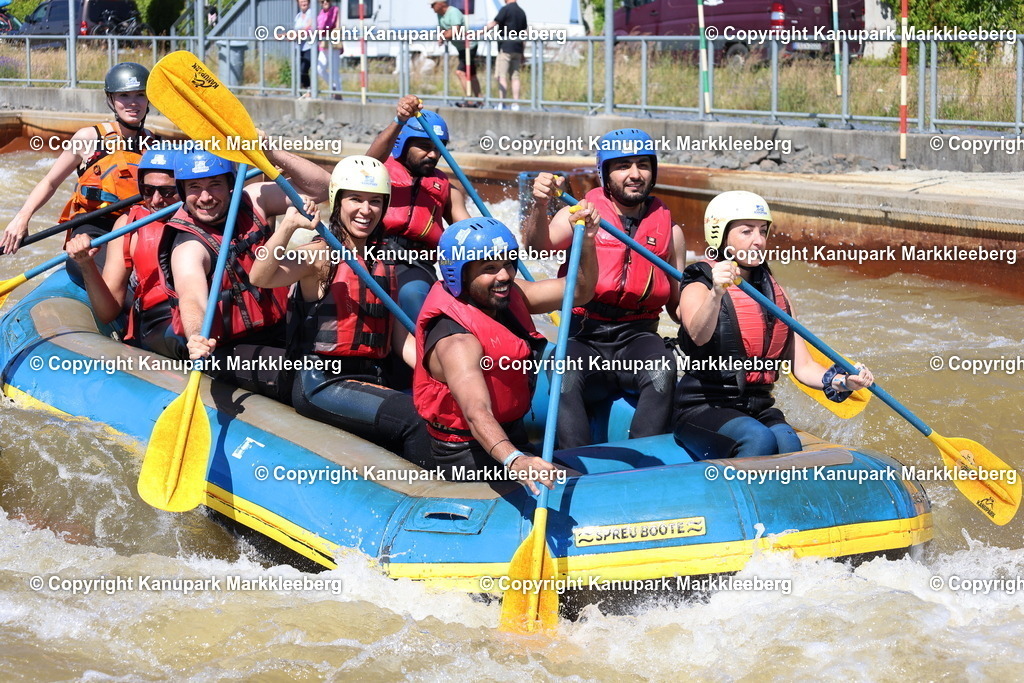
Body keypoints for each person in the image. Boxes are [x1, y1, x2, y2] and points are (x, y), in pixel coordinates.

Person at [249, 156, 431, 467]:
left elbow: (401, 340)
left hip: (372, 375)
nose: (366, 210)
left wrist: (441, 374)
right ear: (337, 202)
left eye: (375, 201)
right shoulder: (320, 254)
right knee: (415, 420)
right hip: (322, 382)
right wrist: (289, 226)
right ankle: (425, 492)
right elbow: (260, 277)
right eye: (355, 199)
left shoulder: (384, 260)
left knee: (438, 410)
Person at [674, 191, 875, 459]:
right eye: (746, 231)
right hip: (704, 407)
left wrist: (843, 382)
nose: (758, 241)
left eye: (763, 231)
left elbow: (803, 367)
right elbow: (698, 335)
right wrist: (716, 293)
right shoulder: (699, 282)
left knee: (788, 443)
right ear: (719, 236)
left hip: (757, 408)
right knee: (758, 439)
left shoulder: (778, 295)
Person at [413, 214, 601, 493]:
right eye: (489, 268)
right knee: (582, 491)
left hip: (512, 435)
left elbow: (580, 291)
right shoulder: (457, 341)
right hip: (468, 455)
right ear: (459, 273)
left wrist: (586, 242)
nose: (504, 276)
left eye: (508, 264)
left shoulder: (507, 295)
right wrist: (515, 460)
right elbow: (477, 412)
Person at [524, 128, 685, 448]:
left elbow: (679, 308)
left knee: (662, 369)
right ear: (605, 173)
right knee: (564, 371)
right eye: (623, 166)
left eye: (643, 165)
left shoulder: (670, 230)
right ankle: (574, 463)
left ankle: (645, 462)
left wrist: (714, 302)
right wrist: (540, 206)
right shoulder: (579, 214)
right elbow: (536, 247)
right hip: (585, 334)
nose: (635, 174)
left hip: (638, 337)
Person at [162, 149, 329, 397]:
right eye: (195, 187)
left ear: (230, 184)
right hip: (229, 349)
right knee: (307, 376)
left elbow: (323, 189)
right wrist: (197, 336)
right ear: (183, 191)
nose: (205, 197)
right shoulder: (188, 247)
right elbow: (192, 297)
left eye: (215, 184)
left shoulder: (254, 200)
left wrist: (269, 151)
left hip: (283, 328)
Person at [2, 62, 157, 255]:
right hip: (95, 227)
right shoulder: (88, 137)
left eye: (140, 95)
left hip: (138, 224)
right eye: (124, 95)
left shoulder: (153, 142)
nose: (133, 102)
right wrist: (22, 218)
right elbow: (50, 182)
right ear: (111, 99)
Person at [64, 148, 186, 358]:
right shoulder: (128, 225)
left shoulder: (209, 216)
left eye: (167, 192)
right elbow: (107, 313)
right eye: (148, 190)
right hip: (156, 326)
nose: (156, 200)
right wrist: (86, 264)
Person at [366, 96, 471, 321]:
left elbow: (467, 233)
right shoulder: (377, 172)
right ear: (402, 144)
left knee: (412, 294)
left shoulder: (448, 189)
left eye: (437, 148)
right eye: (424, 147)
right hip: (371, 255)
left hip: (415, 264)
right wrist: (399, 120)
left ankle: (424, 340)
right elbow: (365, 163)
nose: (433, 155)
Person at [431, 0, 481, 107]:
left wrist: (445, 35)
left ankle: (470, 100)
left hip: (469, 46)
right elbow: (442, 30)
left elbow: (454, 32)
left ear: (440, 3)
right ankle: (480, 100)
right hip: (461, 47)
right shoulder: (439, 14)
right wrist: (444, 34)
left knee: (460, 72)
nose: (431, 8)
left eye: (433, 5)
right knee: (471, 75)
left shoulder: (453, 12)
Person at [486, 0, 526, 110]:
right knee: (515, 77)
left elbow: (494, 23)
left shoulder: (506, 9)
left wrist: (479, 32)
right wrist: (522, 52)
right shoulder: (521, 12)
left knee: (501, 76)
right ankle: (516, 104)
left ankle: (502, 103)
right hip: (517, 48)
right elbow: (524, 34)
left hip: (505, 48)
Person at [317, 0, 343, 99]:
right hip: (324, 44)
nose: (324, 2)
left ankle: (338, 94)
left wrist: (320, 29)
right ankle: (334, 87)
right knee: (319, 69)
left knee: (334, 70)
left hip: (333, 43)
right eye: (322, 1)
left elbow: (328, 24)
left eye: (327, 0)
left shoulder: (335, 10)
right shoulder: (321, 13)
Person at [294, 0, 315, 94]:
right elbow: (296, 31)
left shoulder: (312, 14)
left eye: (305, 1)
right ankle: (305, 90)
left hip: (309, 47)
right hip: (299, 47)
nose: (303, 3)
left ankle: (309, 90)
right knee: (299, 70)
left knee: (304, 69)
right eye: (301, 1)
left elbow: (306, 29)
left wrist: (290, 35)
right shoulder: (298, 16)